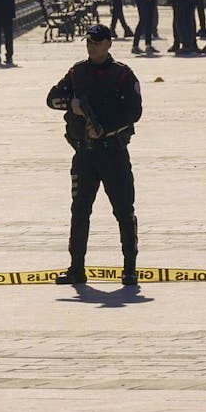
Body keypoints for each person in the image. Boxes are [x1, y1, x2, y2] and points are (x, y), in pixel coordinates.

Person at [46, 24, 143, 286]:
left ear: (109, 44)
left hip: (113, 153)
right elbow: (51, 98)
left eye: (97, 43)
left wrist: (105, 128)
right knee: (79, 211)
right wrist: (72, 105)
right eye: (89, 42)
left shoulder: (122, 74)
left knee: (124, 211)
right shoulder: (77, 72)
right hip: (85, 154)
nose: (92, 47)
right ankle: (76, 268)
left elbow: (134, 111)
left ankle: (130, 269)